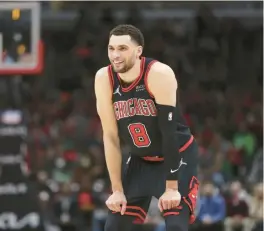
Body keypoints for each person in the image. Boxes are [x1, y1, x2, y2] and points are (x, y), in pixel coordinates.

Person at [94, 24, 199, 231]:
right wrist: (116, 190)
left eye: (122, 48)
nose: (115, 55)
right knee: (114, 227)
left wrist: (171, 187)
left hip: (177, 156)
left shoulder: (159, 73)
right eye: (111, 48)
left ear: (138, 51)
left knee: (176, 226)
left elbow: (168, 133)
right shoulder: (103, 78)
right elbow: (111, 136)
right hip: (140, 160)